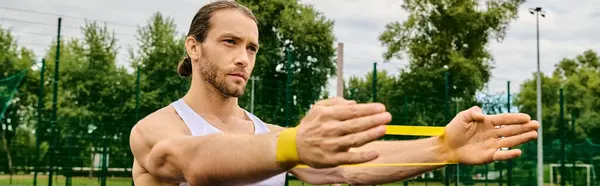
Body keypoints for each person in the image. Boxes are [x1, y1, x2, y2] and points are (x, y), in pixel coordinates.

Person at [128, 1, 540, 186]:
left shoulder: (267, 134)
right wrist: (296, 143)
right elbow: (196, 162)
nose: (243, 57)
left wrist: (443, 148)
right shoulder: (157, 130)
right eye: (230, 42)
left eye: (251, 48)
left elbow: (347, 169)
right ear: (193, 47)